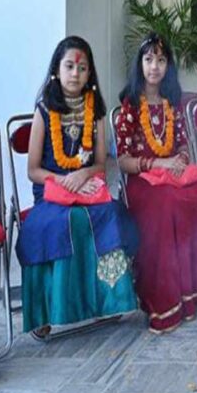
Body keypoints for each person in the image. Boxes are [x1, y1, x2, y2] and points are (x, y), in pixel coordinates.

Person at [16, 36, 137, 335]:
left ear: (89, 73)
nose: (75, 73)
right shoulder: (44, 110)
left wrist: (82, 176)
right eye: (69, 66)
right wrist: (65, 182)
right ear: (56, 70)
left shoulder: (96, 112)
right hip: (51, 191)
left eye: (82, 68)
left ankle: (107, 302)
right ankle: (46, 312)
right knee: (61, 223)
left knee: (110, 215)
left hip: (87, 186)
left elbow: (100, 164)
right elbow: (33, 170)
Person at [115, 33, 197, 334]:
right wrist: (158, 164)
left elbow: (183, 144)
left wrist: (180, 160)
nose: (154, 67)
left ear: (168, 66)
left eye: (161, 60)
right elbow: (122, 160)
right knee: (166, 206)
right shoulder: (130, 105)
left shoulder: (172, 103)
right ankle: (165, 302)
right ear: (140, 64)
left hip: (172, 174)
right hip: (143, 182)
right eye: (149, 60)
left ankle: (196, 289)